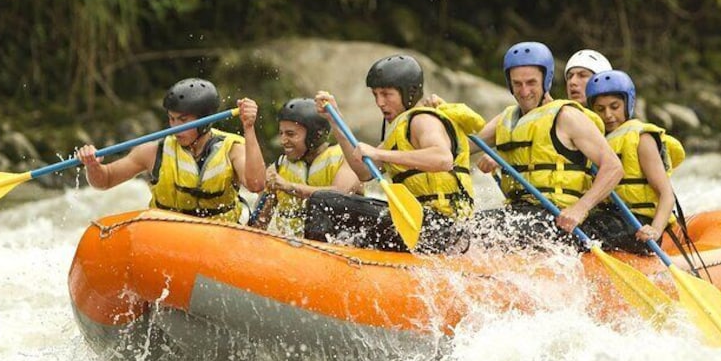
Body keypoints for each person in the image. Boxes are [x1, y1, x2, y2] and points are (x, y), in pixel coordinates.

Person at [312, 54, 486, 253]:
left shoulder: (422, 120)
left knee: (323, 202)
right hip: (421, 224)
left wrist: (381, 154)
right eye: (375, 95)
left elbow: (442, 158)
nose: (379, 102)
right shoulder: (398, 131)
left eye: (386, 94)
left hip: (441, 228)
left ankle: (318, 262)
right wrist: (335, 122)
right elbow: (364, 173)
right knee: (337, 207)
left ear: (409, 93)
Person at [473, 41, 623, 249]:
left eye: (531, 83)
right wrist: (441, 117)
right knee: (471, 226)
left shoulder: (567, 116)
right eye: (517, 84)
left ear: (546, 80)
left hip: (556, 217)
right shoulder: (508, 118)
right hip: (519, 212)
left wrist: (580, 209)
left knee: (487, 232)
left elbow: (614, 168)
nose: (524, 91)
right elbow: (468, 143)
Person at [76, 78, 265, 222]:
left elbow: (256, 185)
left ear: (205, 121)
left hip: (218, 239)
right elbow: (106, 180)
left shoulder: (232, 149)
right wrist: (92, 166)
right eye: (171, 119)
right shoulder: (152, 151)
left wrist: (248, 127)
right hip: (167, 240)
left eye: (183, 120)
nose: (175, 127)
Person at [585, 70, 685, 254]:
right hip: (609, 218)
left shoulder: (641, 138)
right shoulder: (595, 140)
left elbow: (666, 194)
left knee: (590, 229)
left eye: (614, 106)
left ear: (628, 104)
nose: (608, 115)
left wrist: (655, 230)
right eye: (600, 109)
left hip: (637, 223)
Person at [250, 97, 362, 236]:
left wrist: (290, 187)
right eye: (281, 133)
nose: (283, 141)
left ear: (316, 135)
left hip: (338, 246)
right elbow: (258, 224)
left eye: (290, 134)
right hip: (292, 248)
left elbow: (339, 193)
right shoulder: (278, 168)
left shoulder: (347, 158)